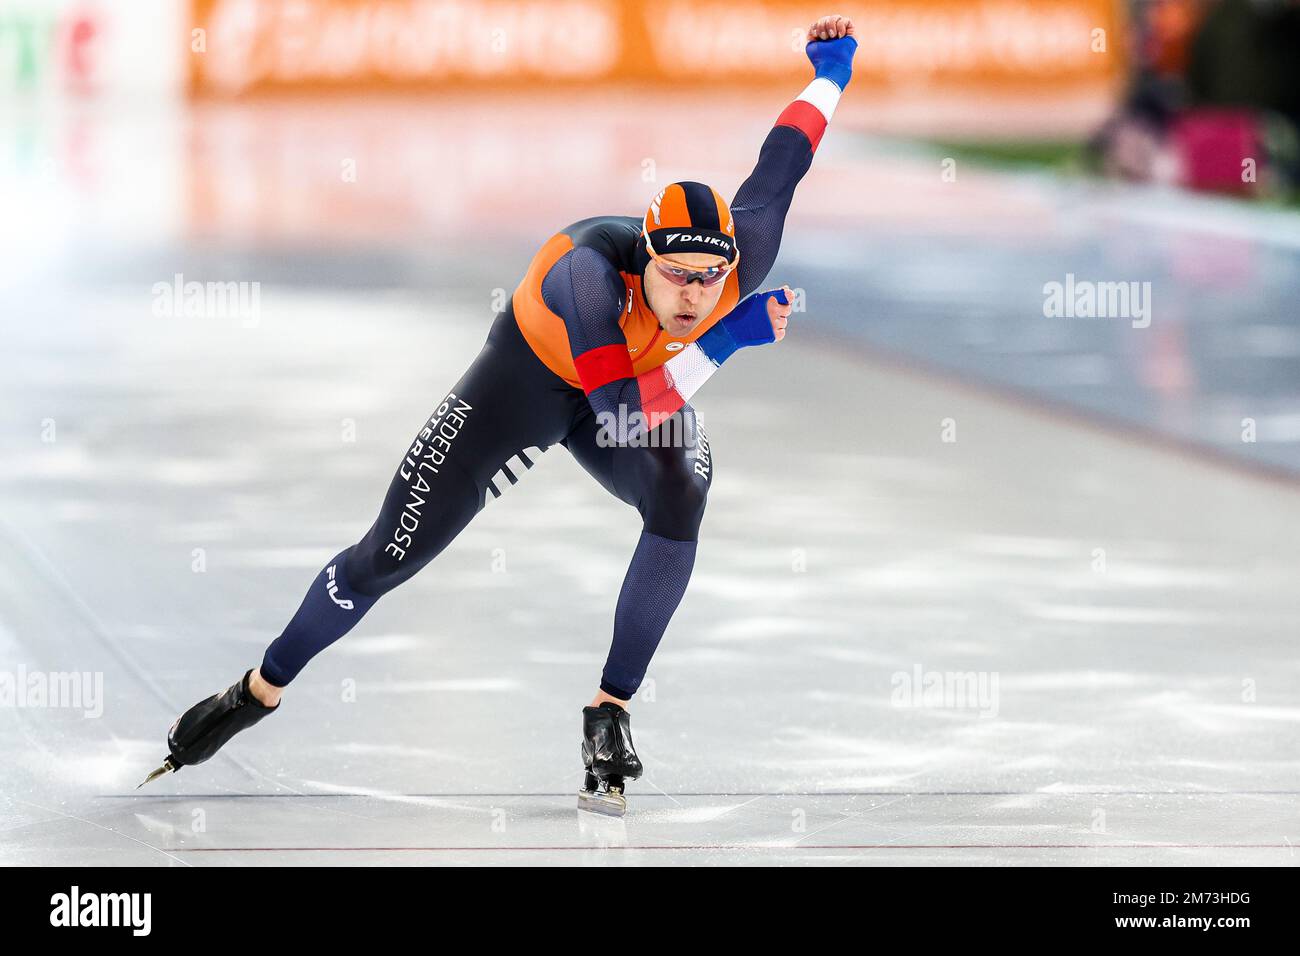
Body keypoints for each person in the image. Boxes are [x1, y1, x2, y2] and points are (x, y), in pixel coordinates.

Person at [142, 14, 858, 816]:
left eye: (712, 277)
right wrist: (726, 339)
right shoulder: (587, 279)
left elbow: (782, 161)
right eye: (678, 275)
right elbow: (619, 414)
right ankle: (257, 690)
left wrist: (832, 72)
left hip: (631, 390)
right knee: (387, 557)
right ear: (644, 258)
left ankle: (609, 713)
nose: (695, 294)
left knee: (682, 485)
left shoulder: (737, 256)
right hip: (531, 383)